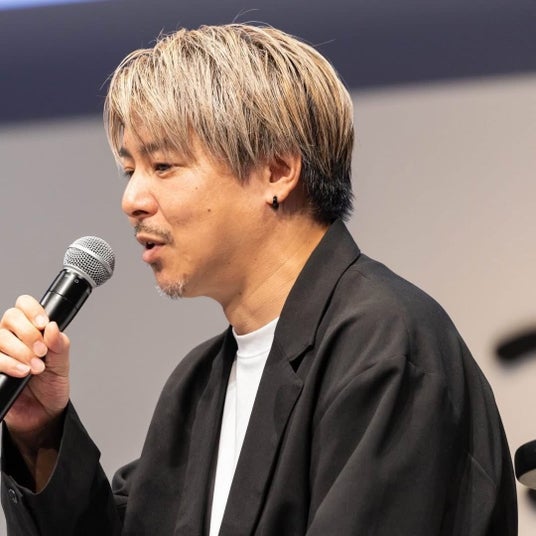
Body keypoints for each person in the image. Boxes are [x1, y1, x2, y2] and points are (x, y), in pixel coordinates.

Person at [0, 23, 517, 535]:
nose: (131, 200)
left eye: (163, 165)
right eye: (129, 170)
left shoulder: (383, 345)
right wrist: (39, 431)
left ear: (276, 171)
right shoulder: (196, 384)